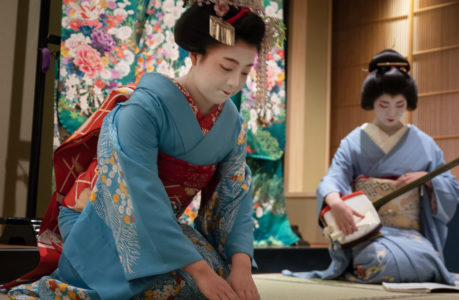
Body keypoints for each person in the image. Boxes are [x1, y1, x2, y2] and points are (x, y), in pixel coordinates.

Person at [7, 1, 281, 299]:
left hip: (160, 227)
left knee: (217, 284)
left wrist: (240, 266)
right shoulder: (143, 108)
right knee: (177, 286)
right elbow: (138, 190)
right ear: (195, 55)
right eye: (227, 67)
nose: (234, 82)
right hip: (103, 218)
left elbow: (235, 196)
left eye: (245, 72)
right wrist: (198, 271)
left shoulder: (232, 125)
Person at [284, 49, 459, 287]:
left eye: (399, 105)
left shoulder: (424, 144)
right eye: (384, 105)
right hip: (369, 232)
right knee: (379, 261)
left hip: (410, 233)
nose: (392, 112)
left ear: (408, 103)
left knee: (428, 261)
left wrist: (428, 178)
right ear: (372, 102)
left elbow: (451, 187)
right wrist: (336, 203)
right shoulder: (354, 141)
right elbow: (332, 179)